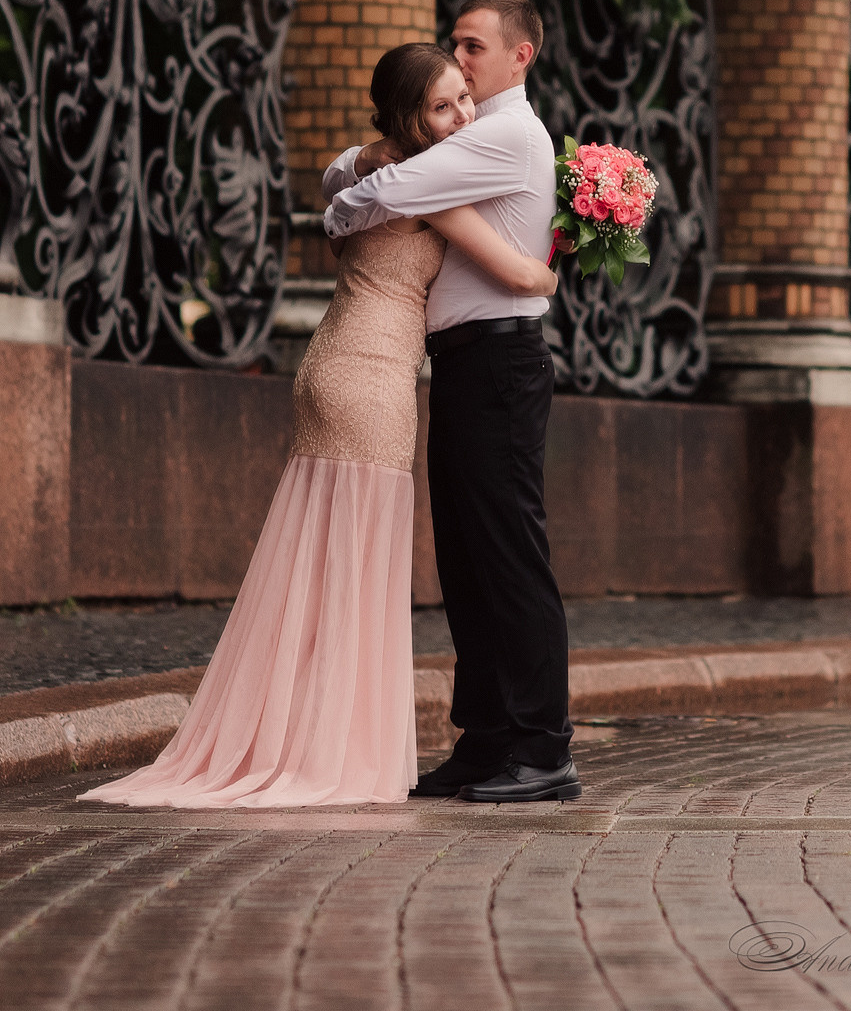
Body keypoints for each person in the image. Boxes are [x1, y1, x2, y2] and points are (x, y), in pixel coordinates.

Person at [79, 43, 556, 809]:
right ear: (408, 118)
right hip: (369, 381)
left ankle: (301, 733)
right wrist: (555, 260)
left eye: (463, 97)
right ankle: (329, 749)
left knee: (318, 560)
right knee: (357, 567)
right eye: (442, 105)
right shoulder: (424, 184)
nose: (463, 114)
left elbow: (342, 189)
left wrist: (364, 160)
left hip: (333, 364)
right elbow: (521, 273)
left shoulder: (387, 168)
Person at [323, 0, 577, 804]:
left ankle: (543, 748)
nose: (459, 58)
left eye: (472, 48)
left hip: (498, 362)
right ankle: (488, 740)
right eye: (455, 46)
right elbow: (361, 175)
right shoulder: (480, 133)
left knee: (507, 556)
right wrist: (371, 164)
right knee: (468, 560)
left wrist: (372, 167)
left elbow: (362, 199)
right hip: (467, 363)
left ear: (518, 56)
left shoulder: (503, 132)